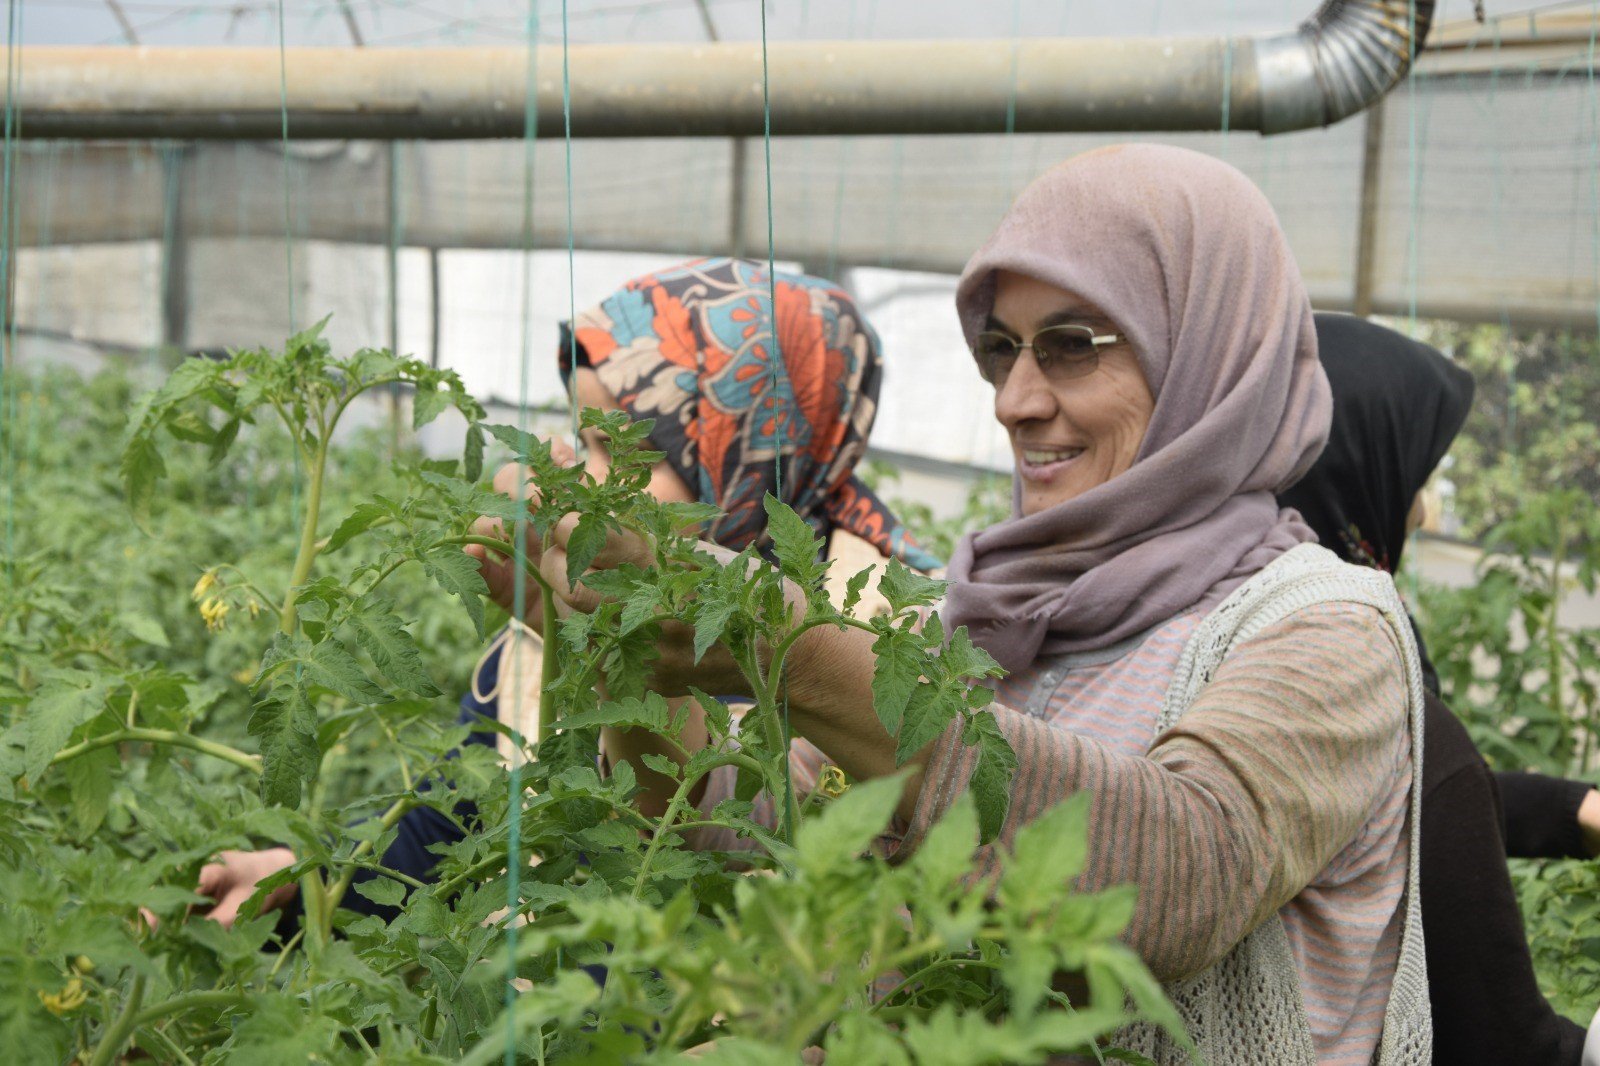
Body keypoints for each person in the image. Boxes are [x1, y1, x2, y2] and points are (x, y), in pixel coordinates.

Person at [508, 146, 1429, 1064]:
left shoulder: (1326, 628)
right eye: (1000, 349)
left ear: (1209, 348)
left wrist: (800, 651)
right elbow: (740, 829)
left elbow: (1179, 876)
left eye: (1072, 345)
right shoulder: (984, 611)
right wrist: (613, 632)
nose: (1015, 401)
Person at [195, 256, 938, 926]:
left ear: (753, 446)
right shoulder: (556, 621)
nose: (579, 477)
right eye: (579, 439)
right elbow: (444, 834)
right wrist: (311, 882)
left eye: (619, 451)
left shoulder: (877, 650)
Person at [1284, 311, 1600, 1065]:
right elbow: (1500, 1039)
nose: (1423, 510)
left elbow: (1408, 796)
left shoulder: (1265, 609)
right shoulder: (1353, 659)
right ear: (1357, 461)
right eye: (1414, 473)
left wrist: (1574, 811)